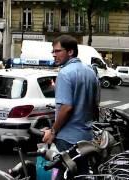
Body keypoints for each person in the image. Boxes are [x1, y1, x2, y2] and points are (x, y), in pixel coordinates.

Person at [42, 35, 99, 177]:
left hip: (68, 138)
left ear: (70, 52)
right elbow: (95, 105)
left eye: (58, 51)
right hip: (86, 136)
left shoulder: (64, 73)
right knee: (81, 174)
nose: (54, 55)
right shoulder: (91, 72)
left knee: (65, 173)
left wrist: (53, 131)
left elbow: (66, 107)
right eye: (53, 52)